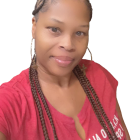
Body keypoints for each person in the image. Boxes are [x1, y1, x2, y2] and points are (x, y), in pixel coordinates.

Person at [0, 0, 130, 140]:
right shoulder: (9, 102)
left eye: (80, 32)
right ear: (34, 26)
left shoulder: (99, 75)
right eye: (55, 29)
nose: (68, 45)